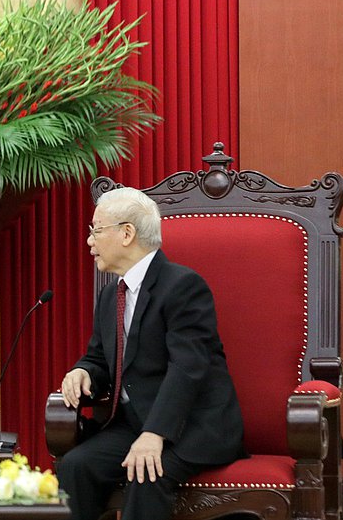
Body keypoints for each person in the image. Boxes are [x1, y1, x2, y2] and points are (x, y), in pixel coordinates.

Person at [57, 187, 244, 520]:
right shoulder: (110, 295)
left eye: (96, 230)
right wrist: (83, 372)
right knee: (76, 467)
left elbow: (187, 367)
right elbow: (100, 359)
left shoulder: (182, 286)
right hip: (135, 424)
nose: (89, 241)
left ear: (126, 233)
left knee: (145, 473)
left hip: (194, 426)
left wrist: (154, 433)